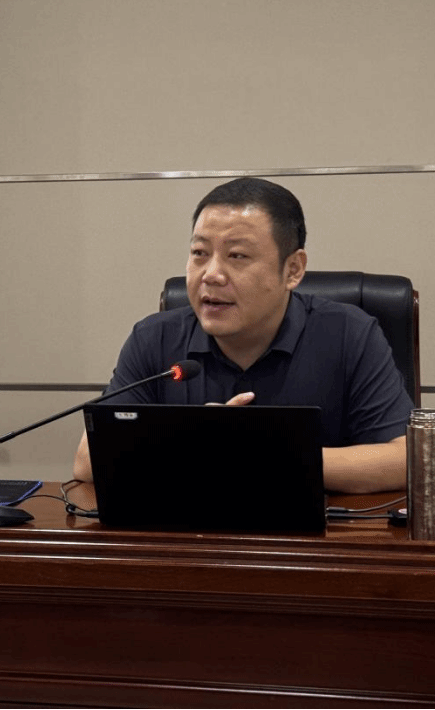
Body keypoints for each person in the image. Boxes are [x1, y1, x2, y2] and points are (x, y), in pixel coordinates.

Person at [72, 177, 412, 494]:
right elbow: (87, 461)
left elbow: (407, 459)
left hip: (313, 533)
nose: (211, 274)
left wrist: (257, 452)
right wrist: (193, 442)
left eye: (237, 256)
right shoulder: (154, 338)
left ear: (293, 269)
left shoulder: (349, 334)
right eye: (200, 253)